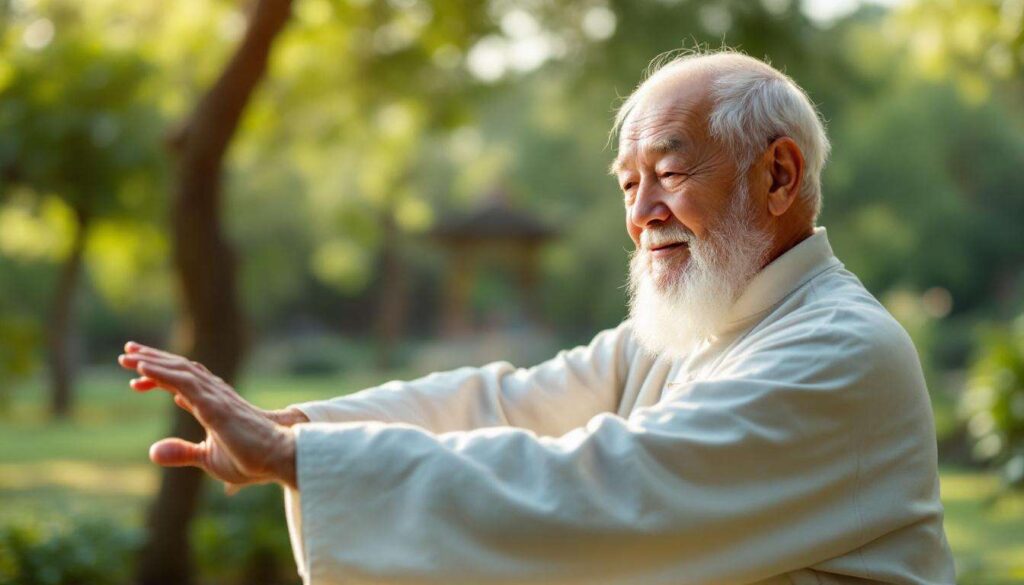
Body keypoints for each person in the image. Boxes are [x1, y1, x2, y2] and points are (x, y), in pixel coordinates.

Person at [118, 49, 956, 584]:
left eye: (669, 171)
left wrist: (306, 457)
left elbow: (606, 489)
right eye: (629, 185)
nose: (642, 214)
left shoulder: (837, 350)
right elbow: (510, 400)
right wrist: (295, 425)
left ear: (778, 177)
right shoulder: (701, 328)